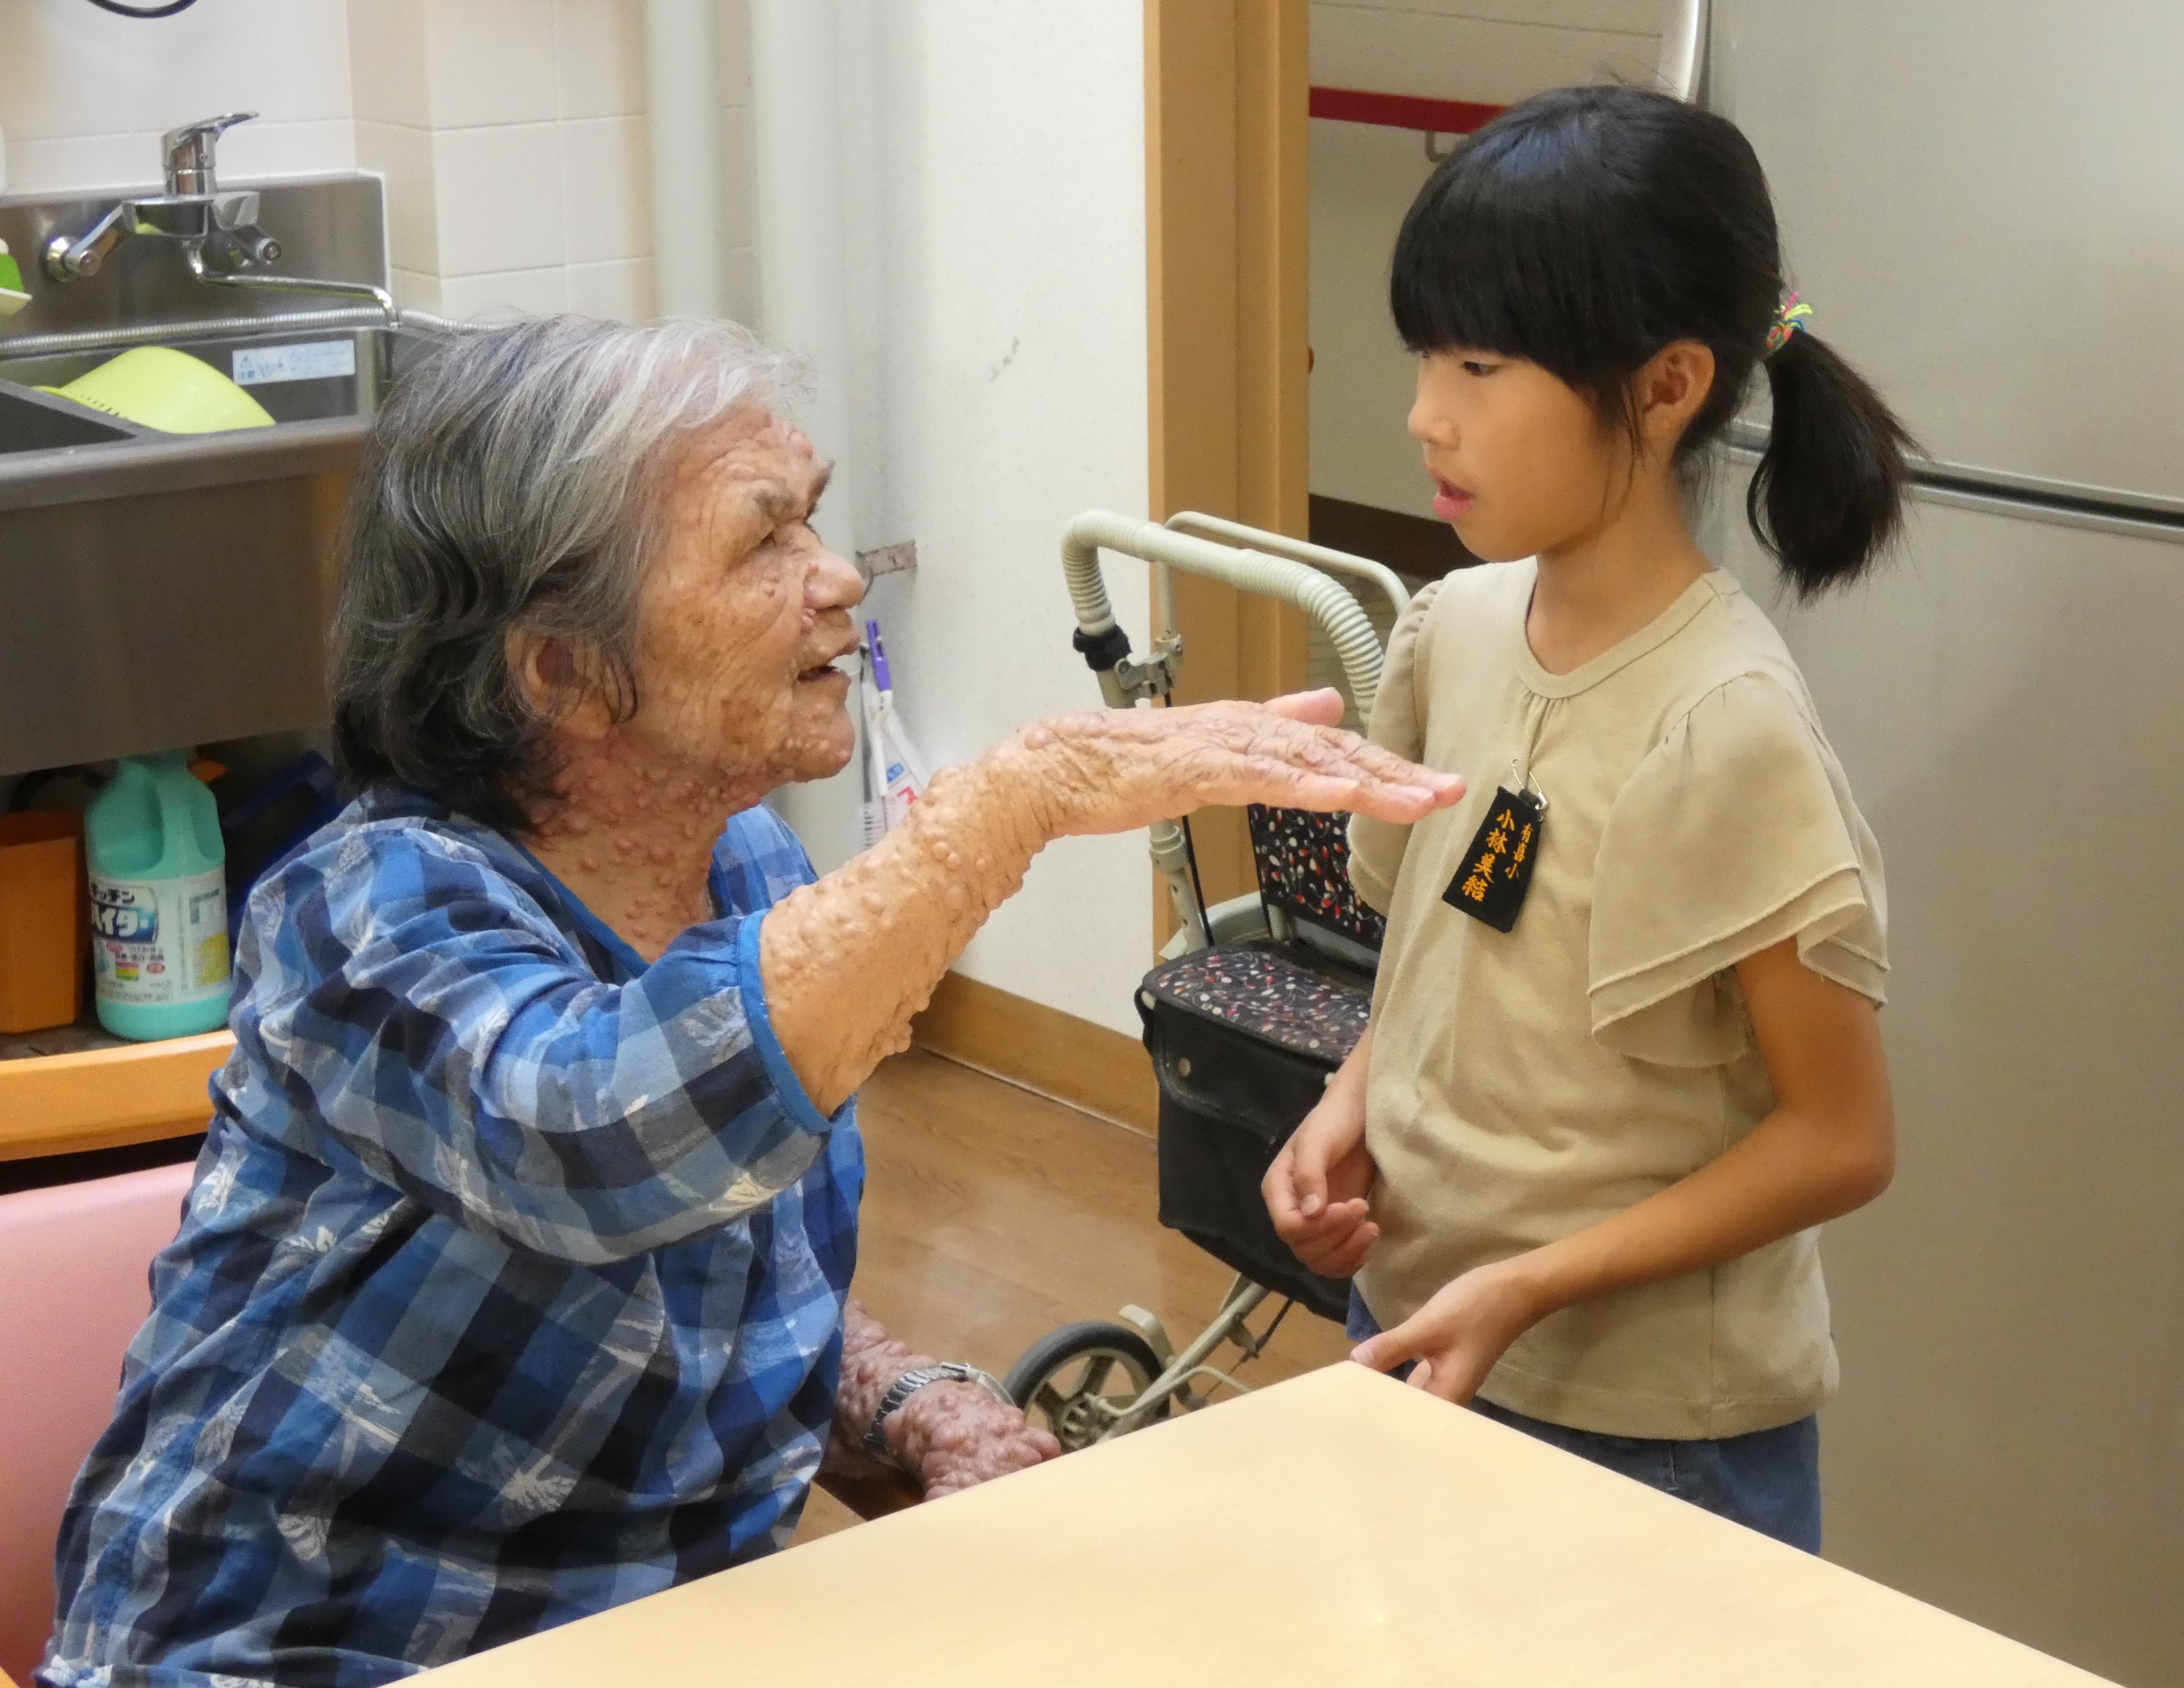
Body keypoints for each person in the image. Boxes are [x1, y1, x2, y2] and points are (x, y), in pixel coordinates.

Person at [41, 316, 1461, 1688]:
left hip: (659, 1642)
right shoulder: (365, 914)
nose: (838, 579)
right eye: (763, 538)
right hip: (315, 1654)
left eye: (814, 521)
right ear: (565, 670)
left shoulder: (746, 867)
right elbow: (609, 1139)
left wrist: (904, 1405)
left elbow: (720, 1273)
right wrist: (1009, 809)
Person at [1263, 86, 1909, 1551]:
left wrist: (1536, 1282)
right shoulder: (1457, 630)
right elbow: (1443, 956)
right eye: (1427, 355)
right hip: (1423, 1335)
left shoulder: (1723, 723)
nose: (1428, 412)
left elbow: (1841, 1137)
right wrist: (1345, 1103)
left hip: (1641, 1436)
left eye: (1483, 365)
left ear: (1668, 385)